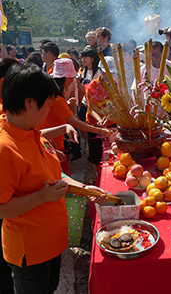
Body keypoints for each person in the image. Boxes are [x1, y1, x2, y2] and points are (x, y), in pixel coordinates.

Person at [0, 62, 107, 294]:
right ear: (29, 102)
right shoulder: (5, 148)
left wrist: (85, 188)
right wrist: (41, 196)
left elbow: (53, 176)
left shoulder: (32, 132)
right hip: (31, 251)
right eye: (47, 103)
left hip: (51, 243)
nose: (50, 110)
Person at [85, 56, 116, 172]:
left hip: (112, 123)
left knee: (114, 151)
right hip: (94, 124)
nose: (109, 76)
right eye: (106, 72)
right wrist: (99, 120)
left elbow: (117, 105)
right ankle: (98, 174)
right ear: (101, 70)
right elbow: (92, 108)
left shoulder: (116, 85)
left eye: (111, 73)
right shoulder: (92, 87)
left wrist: (108, 117)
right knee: (96, 154)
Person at [77, 45, 101, 153]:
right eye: (82, 58)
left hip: (96, 105)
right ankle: (87, 143)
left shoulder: (99, 72)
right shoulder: (83, 71)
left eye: (85, 57)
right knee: (83, 124)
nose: (83, 60)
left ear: (92, 58)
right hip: (85, 103)